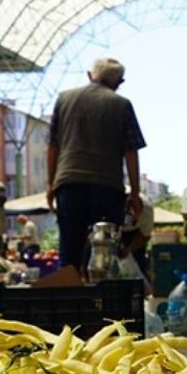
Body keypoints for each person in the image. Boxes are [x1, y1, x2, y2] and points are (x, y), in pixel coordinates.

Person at [47, 57, 146, 271]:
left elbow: (53, 146)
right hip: (107, 187)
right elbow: (131, 151)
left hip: (69, 184)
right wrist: (135, 193)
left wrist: (51, 184)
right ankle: (104, 301)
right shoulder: (121, 104)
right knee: (105, 252)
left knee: (70, 249)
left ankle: (70, 297)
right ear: (118, 82)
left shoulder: (64, 99)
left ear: (90, 75)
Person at [118, 193, 153, 278]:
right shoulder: (111, 202)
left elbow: (145, 236)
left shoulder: (147, 211)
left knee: (137, 263)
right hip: (114, 229)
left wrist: (129, 250)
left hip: (135, 235)